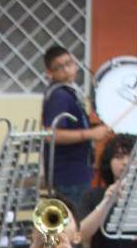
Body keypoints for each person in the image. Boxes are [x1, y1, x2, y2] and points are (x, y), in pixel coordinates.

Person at [41, 44, 110, 207]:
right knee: (75, 222)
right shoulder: (59, 96)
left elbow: (72, 127)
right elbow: (52, 134)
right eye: (59, 67)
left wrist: (94, 129)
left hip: (76, 172)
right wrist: (90, 134)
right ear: (49, 73)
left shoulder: (68, 92)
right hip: (69, 175)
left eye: (69, 63)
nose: (66, 69)